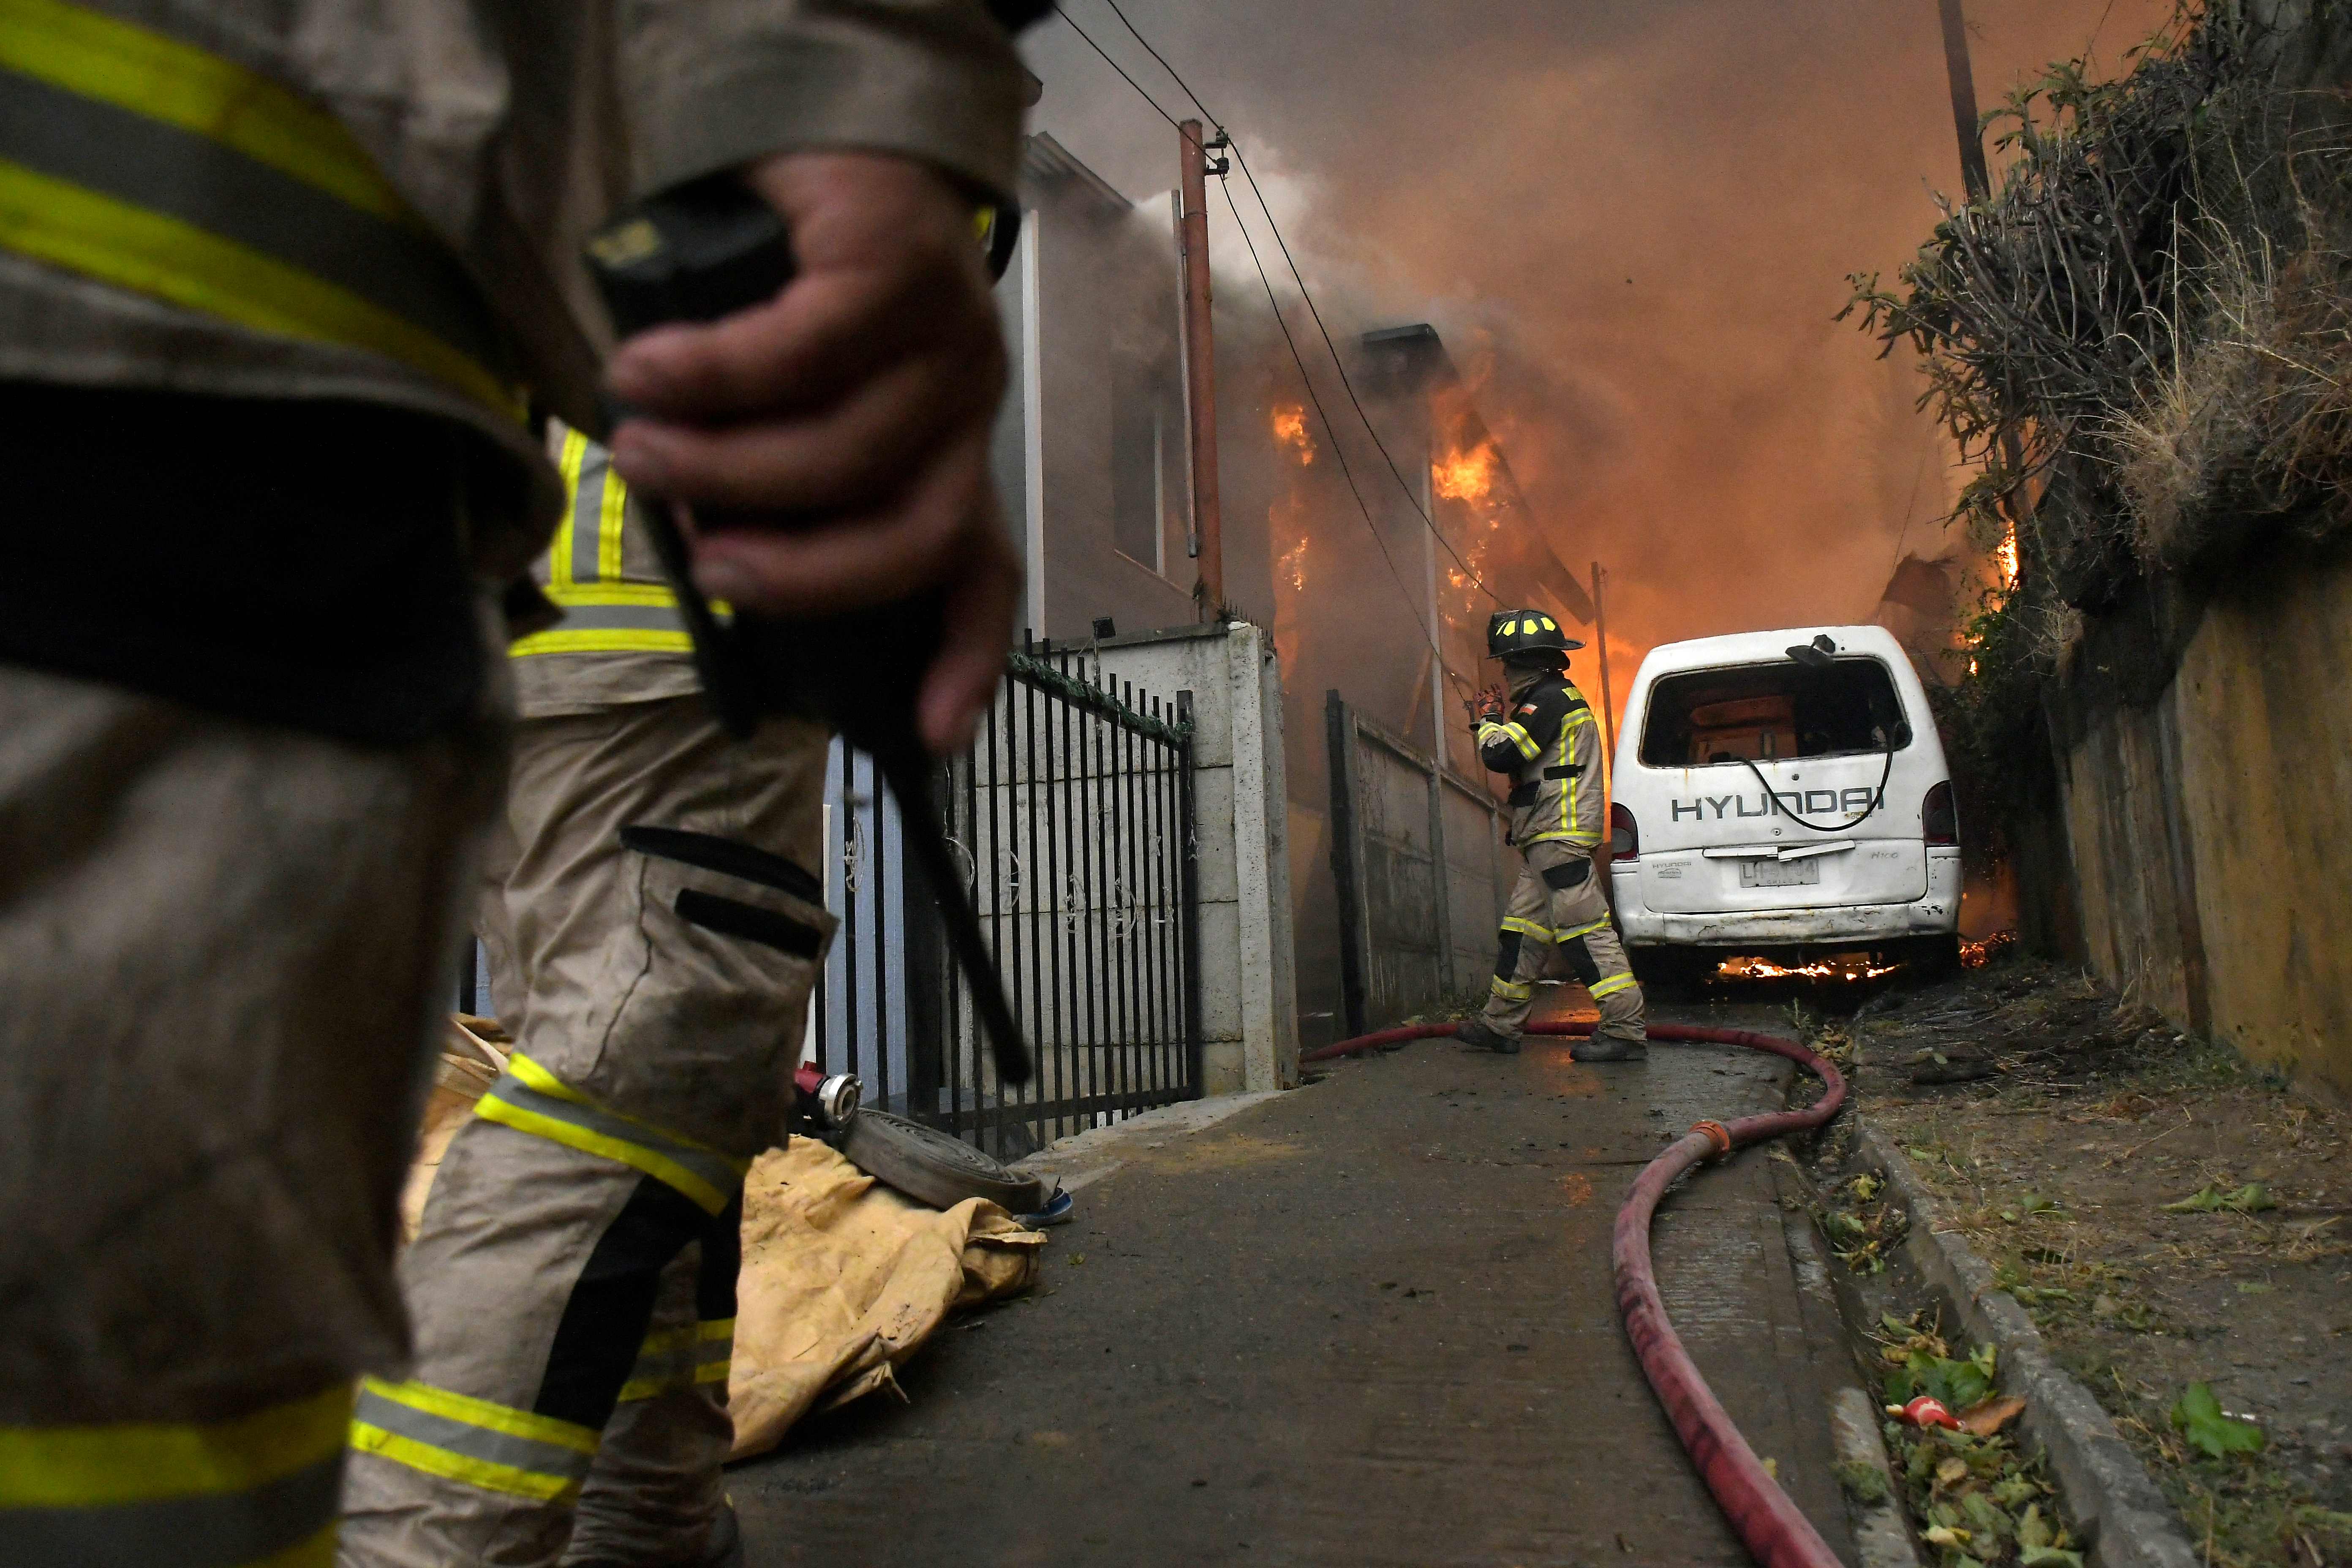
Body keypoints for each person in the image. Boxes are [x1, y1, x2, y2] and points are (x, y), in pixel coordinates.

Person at [0, 4, 1031, 1562]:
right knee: (644, 1062)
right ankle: (429, 1540)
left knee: (668, 1101)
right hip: (641, 617)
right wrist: (874, 114)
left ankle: (650, 1507)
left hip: (490, 583)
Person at [1454, 610, 1649, 1062]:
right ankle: (1500, 1024)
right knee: (1521, 934)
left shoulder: (1548, 700)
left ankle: (1624, 1029)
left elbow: (1503, 754)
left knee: (1585, 933)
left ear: (1527, 663)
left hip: (1558, 836)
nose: (1505, 673)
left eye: (1508, 663)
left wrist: (1488, 719)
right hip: (1544, 837)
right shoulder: (1551, 698)